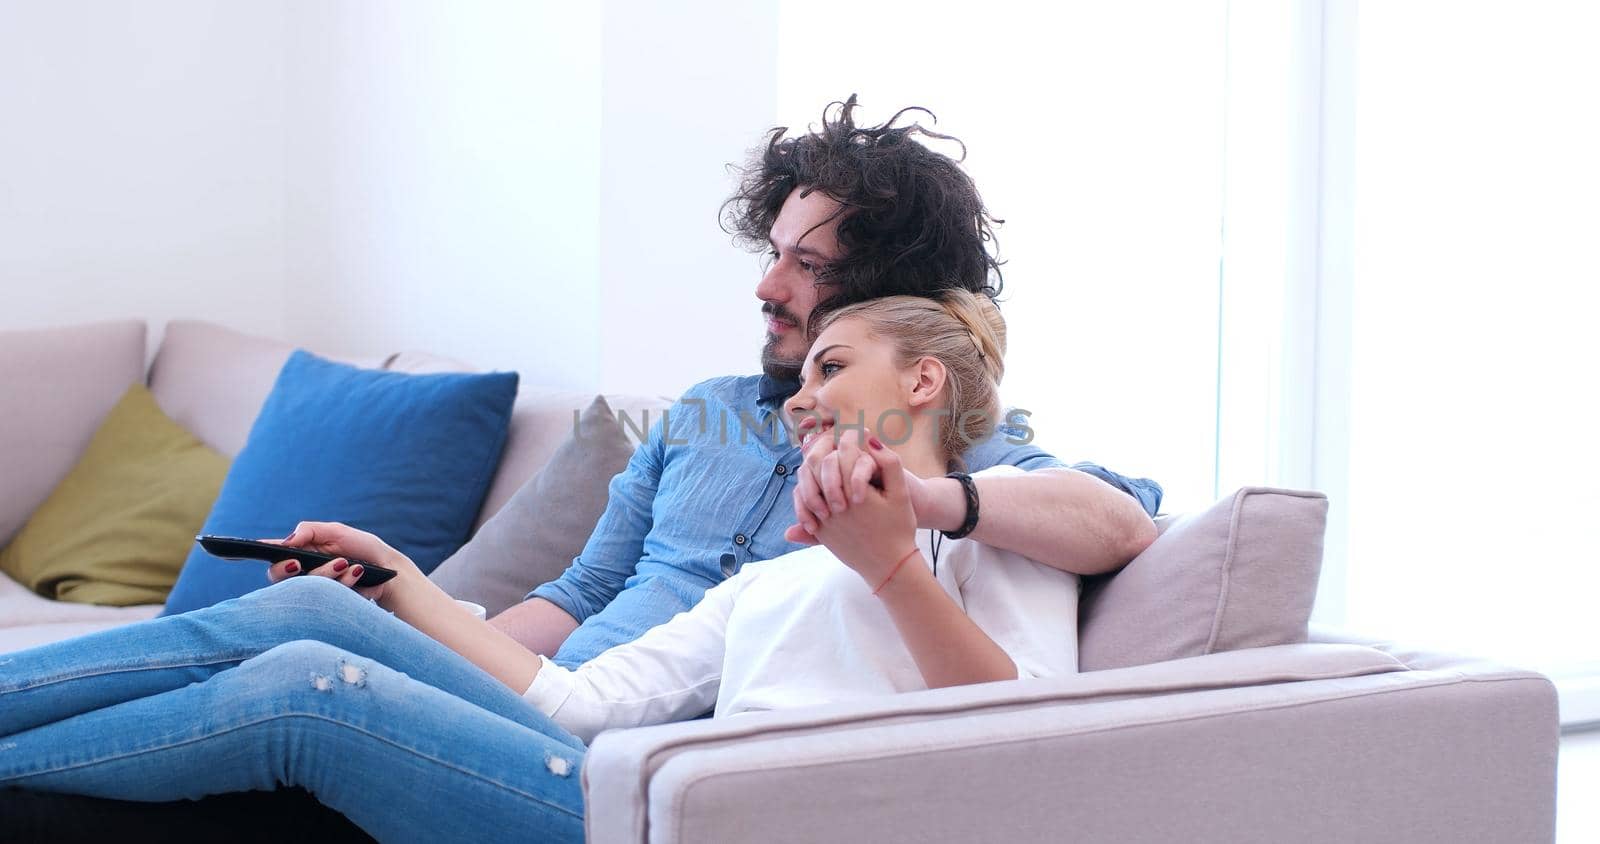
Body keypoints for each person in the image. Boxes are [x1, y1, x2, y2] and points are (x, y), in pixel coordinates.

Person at [2, 291, 1084, 843]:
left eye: (832, 368)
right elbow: (579, 700)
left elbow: (1026, 750)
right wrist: (397, 579)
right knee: (325, 628)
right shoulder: (775, 578)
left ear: (926, 382)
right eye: (802, 377)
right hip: (632, 784)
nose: (799, 397)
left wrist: (893, 565)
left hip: (702, 825)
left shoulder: (1005, 535)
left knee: (303, 692)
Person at [489, 96, 1162, 670]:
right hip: (557, 700)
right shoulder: (706, 409)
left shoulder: (942, 448)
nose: (766, 285)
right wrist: (433, 647)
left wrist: (921, 500)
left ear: (885, 292)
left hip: (650, 759)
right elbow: (581, 596)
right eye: (773, 252)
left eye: (805, 264)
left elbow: (1122, 521)